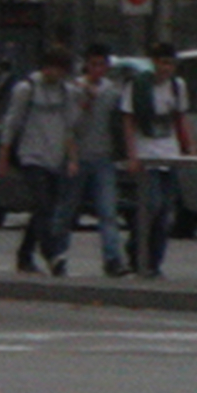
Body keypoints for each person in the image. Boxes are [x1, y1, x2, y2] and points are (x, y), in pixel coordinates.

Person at [0, 45, 83, 276]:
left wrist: (72, 159)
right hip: (30, 155)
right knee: (43, 203)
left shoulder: (67, 93)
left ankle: (24, 255)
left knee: (44, 209)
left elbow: (70, 128)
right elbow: (11, 122)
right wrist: (3, 156)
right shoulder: (27, 89)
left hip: (54, 157)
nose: (58, 74)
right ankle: (52, 254)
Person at [121, 43, 194, 277]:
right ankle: (136, 252)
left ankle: (154, 261)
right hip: (146, 153)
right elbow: (128, 121)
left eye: (170, 64)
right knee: (151, 205)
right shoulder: (138, 85)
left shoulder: (177, 86)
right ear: (154, 62)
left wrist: (188, 146)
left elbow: (180, 117)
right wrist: (132, 155)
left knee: (165, 213)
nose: (166, 68)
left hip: (168, 152)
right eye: (162, 63)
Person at [69, 43, 130, 277]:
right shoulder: (74, 89)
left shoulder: (113, 93)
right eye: (93, 64)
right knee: (67, 208)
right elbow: (69, 125)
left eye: (101, 64)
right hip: (78, 156)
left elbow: (119, 123)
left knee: (108, 212)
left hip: (104, 158)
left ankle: (113, 259)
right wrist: (84, 105)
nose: (97, 69)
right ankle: (58, 255)